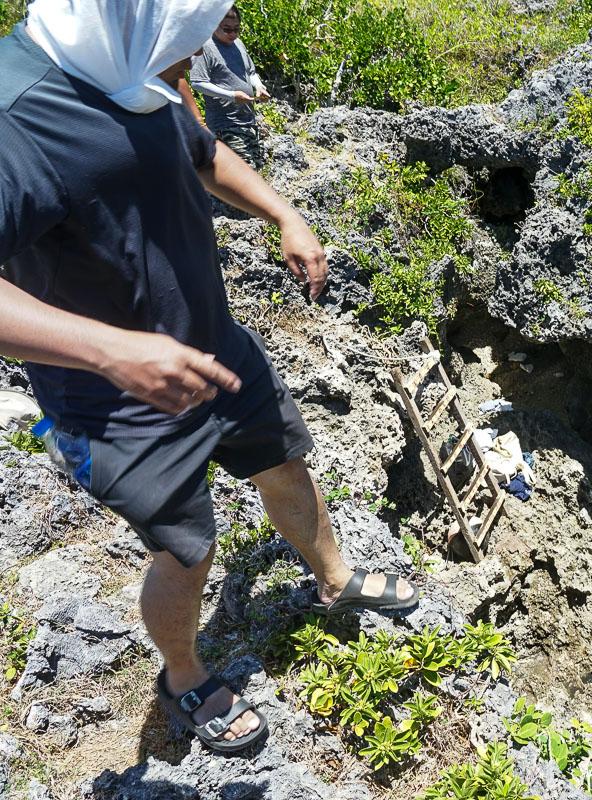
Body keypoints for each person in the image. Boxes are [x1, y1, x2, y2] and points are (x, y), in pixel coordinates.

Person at [0, 0, 417, 753]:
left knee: (283, 462)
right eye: (184, 43)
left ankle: (334, 578)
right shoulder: (15, 114)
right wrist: (109, 351)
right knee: (188, 550)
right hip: (115, 401)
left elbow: (197, 151)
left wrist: (284, 213)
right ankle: (184, 678)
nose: (193, 60)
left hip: (215, 344)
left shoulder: (123, 65)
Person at [189, 5, 270, 169]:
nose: (233, 34)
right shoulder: (205, 48)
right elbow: (197, 82)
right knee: (245, 173)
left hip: (248, 121)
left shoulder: (238, 44)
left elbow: (251, 72)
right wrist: (232, 96)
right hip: (225, 124)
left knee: (256, 170)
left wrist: (259, 87)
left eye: (236, 29)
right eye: (227, 30)